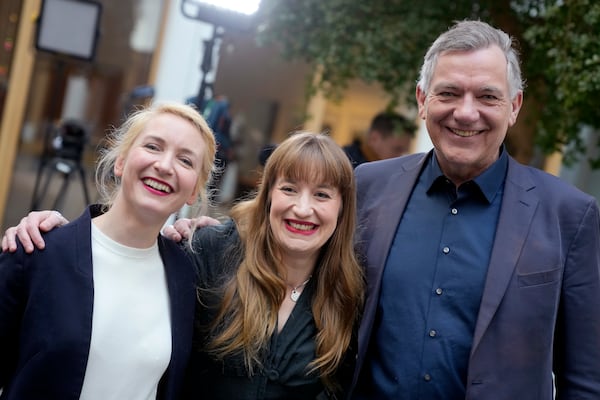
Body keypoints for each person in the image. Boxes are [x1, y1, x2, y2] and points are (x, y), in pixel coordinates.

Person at [3, 132, 365, 399]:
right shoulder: (212, 253)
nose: (303, 208)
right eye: (289, 189)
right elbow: (129, 259)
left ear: (342, 207)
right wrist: (67, 237)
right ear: (268, 194)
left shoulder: (348, 292)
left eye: (322, 194)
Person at [350, 20, 600, 399]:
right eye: (449, 93)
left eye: (487, 97)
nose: (466, 113)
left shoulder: (570, 216)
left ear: (514, 107)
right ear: (422, 100)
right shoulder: (367, 186)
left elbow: (585, 380)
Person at [0, 102, 216, 399]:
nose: (165, 166)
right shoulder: (37, 253)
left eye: (186, 161)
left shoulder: (189, 277)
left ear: (194, 191)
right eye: (153, 146)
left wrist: (221, 239)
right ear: (121, 161)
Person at [342, 112, 416, 168]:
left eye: (405, 152)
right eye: (397, 149)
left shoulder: (389, 171)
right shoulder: (342, 164)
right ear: (374, 138)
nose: (402, 157)